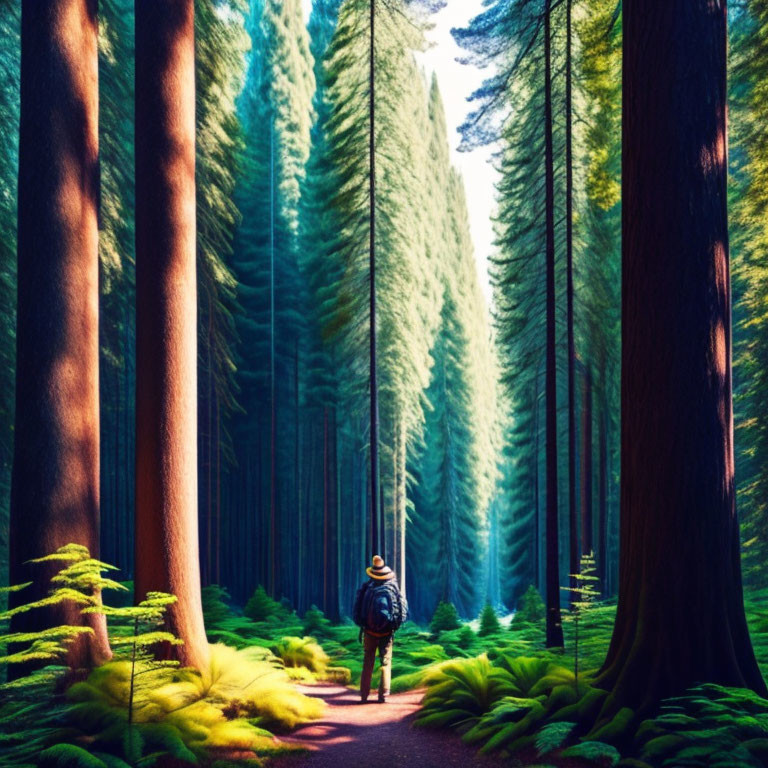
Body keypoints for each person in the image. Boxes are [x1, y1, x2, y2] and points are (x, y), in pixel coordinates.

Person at [352, 555, 408, 703]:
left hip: (369, 631)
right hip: (387, 632)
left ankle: (364, 695)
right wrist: (395, 625)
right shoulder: (393, 587)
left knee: (368, 661)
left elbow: (357, 608)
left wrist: (362, 624)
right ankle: (383, 695)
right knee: (385, 662)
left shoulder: (367, 587)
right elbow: (403, 608)